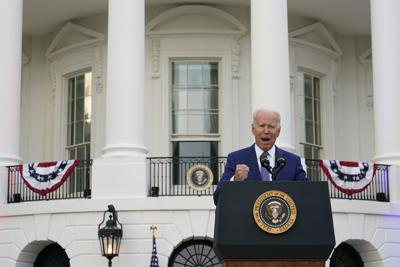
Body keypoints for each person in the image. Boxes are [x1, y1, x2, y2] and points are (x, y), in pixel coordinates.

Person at [213, 109, 307, 205]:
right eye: (261, 126)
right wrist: (235, 181)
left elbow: (307, 195)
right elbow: (217, 198)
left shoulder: (292, 161)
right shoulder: (236, 158)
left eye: (271, 126)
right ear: (253, 129)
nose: (266, 131)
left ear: (278, 131)